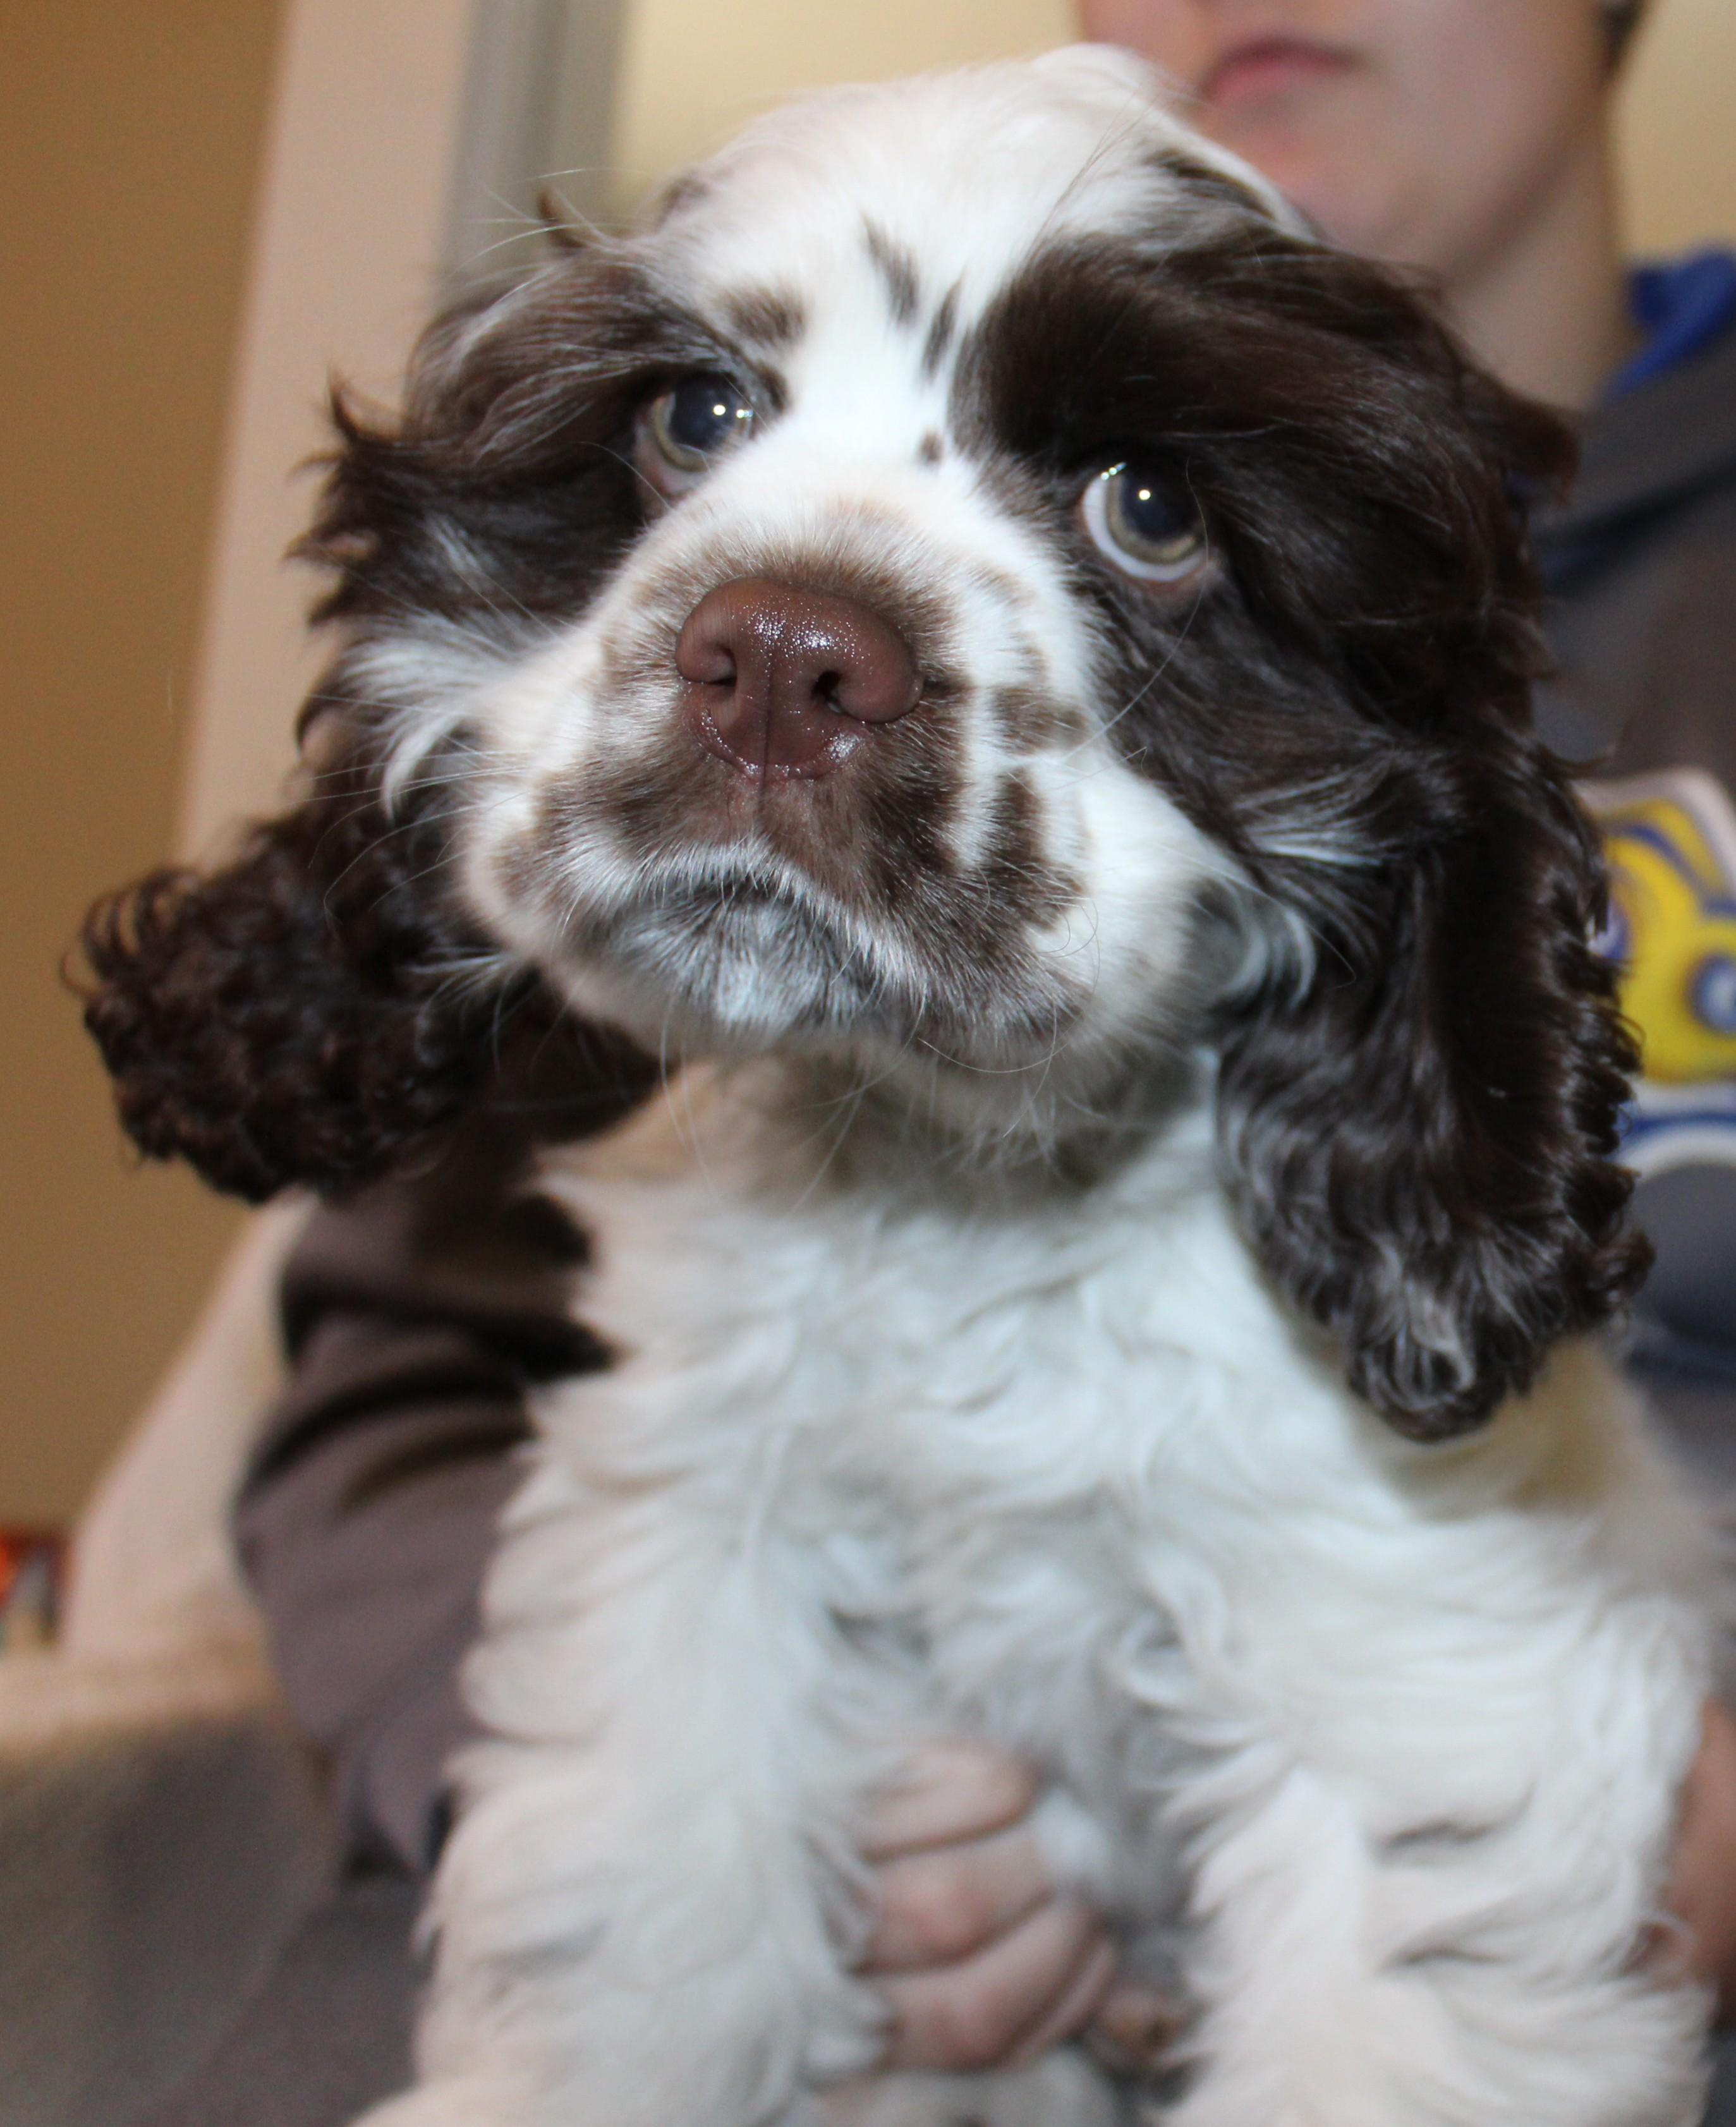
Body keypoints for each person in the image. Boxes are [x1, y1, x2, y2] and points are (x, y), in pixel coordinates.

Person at [217, 0, 1736, 2113]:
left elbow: (1435, 1732)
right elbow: (439, 1427)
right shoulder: (669, 1199)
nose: (779, 637)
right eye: (701, 423)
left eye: (1134, 506)